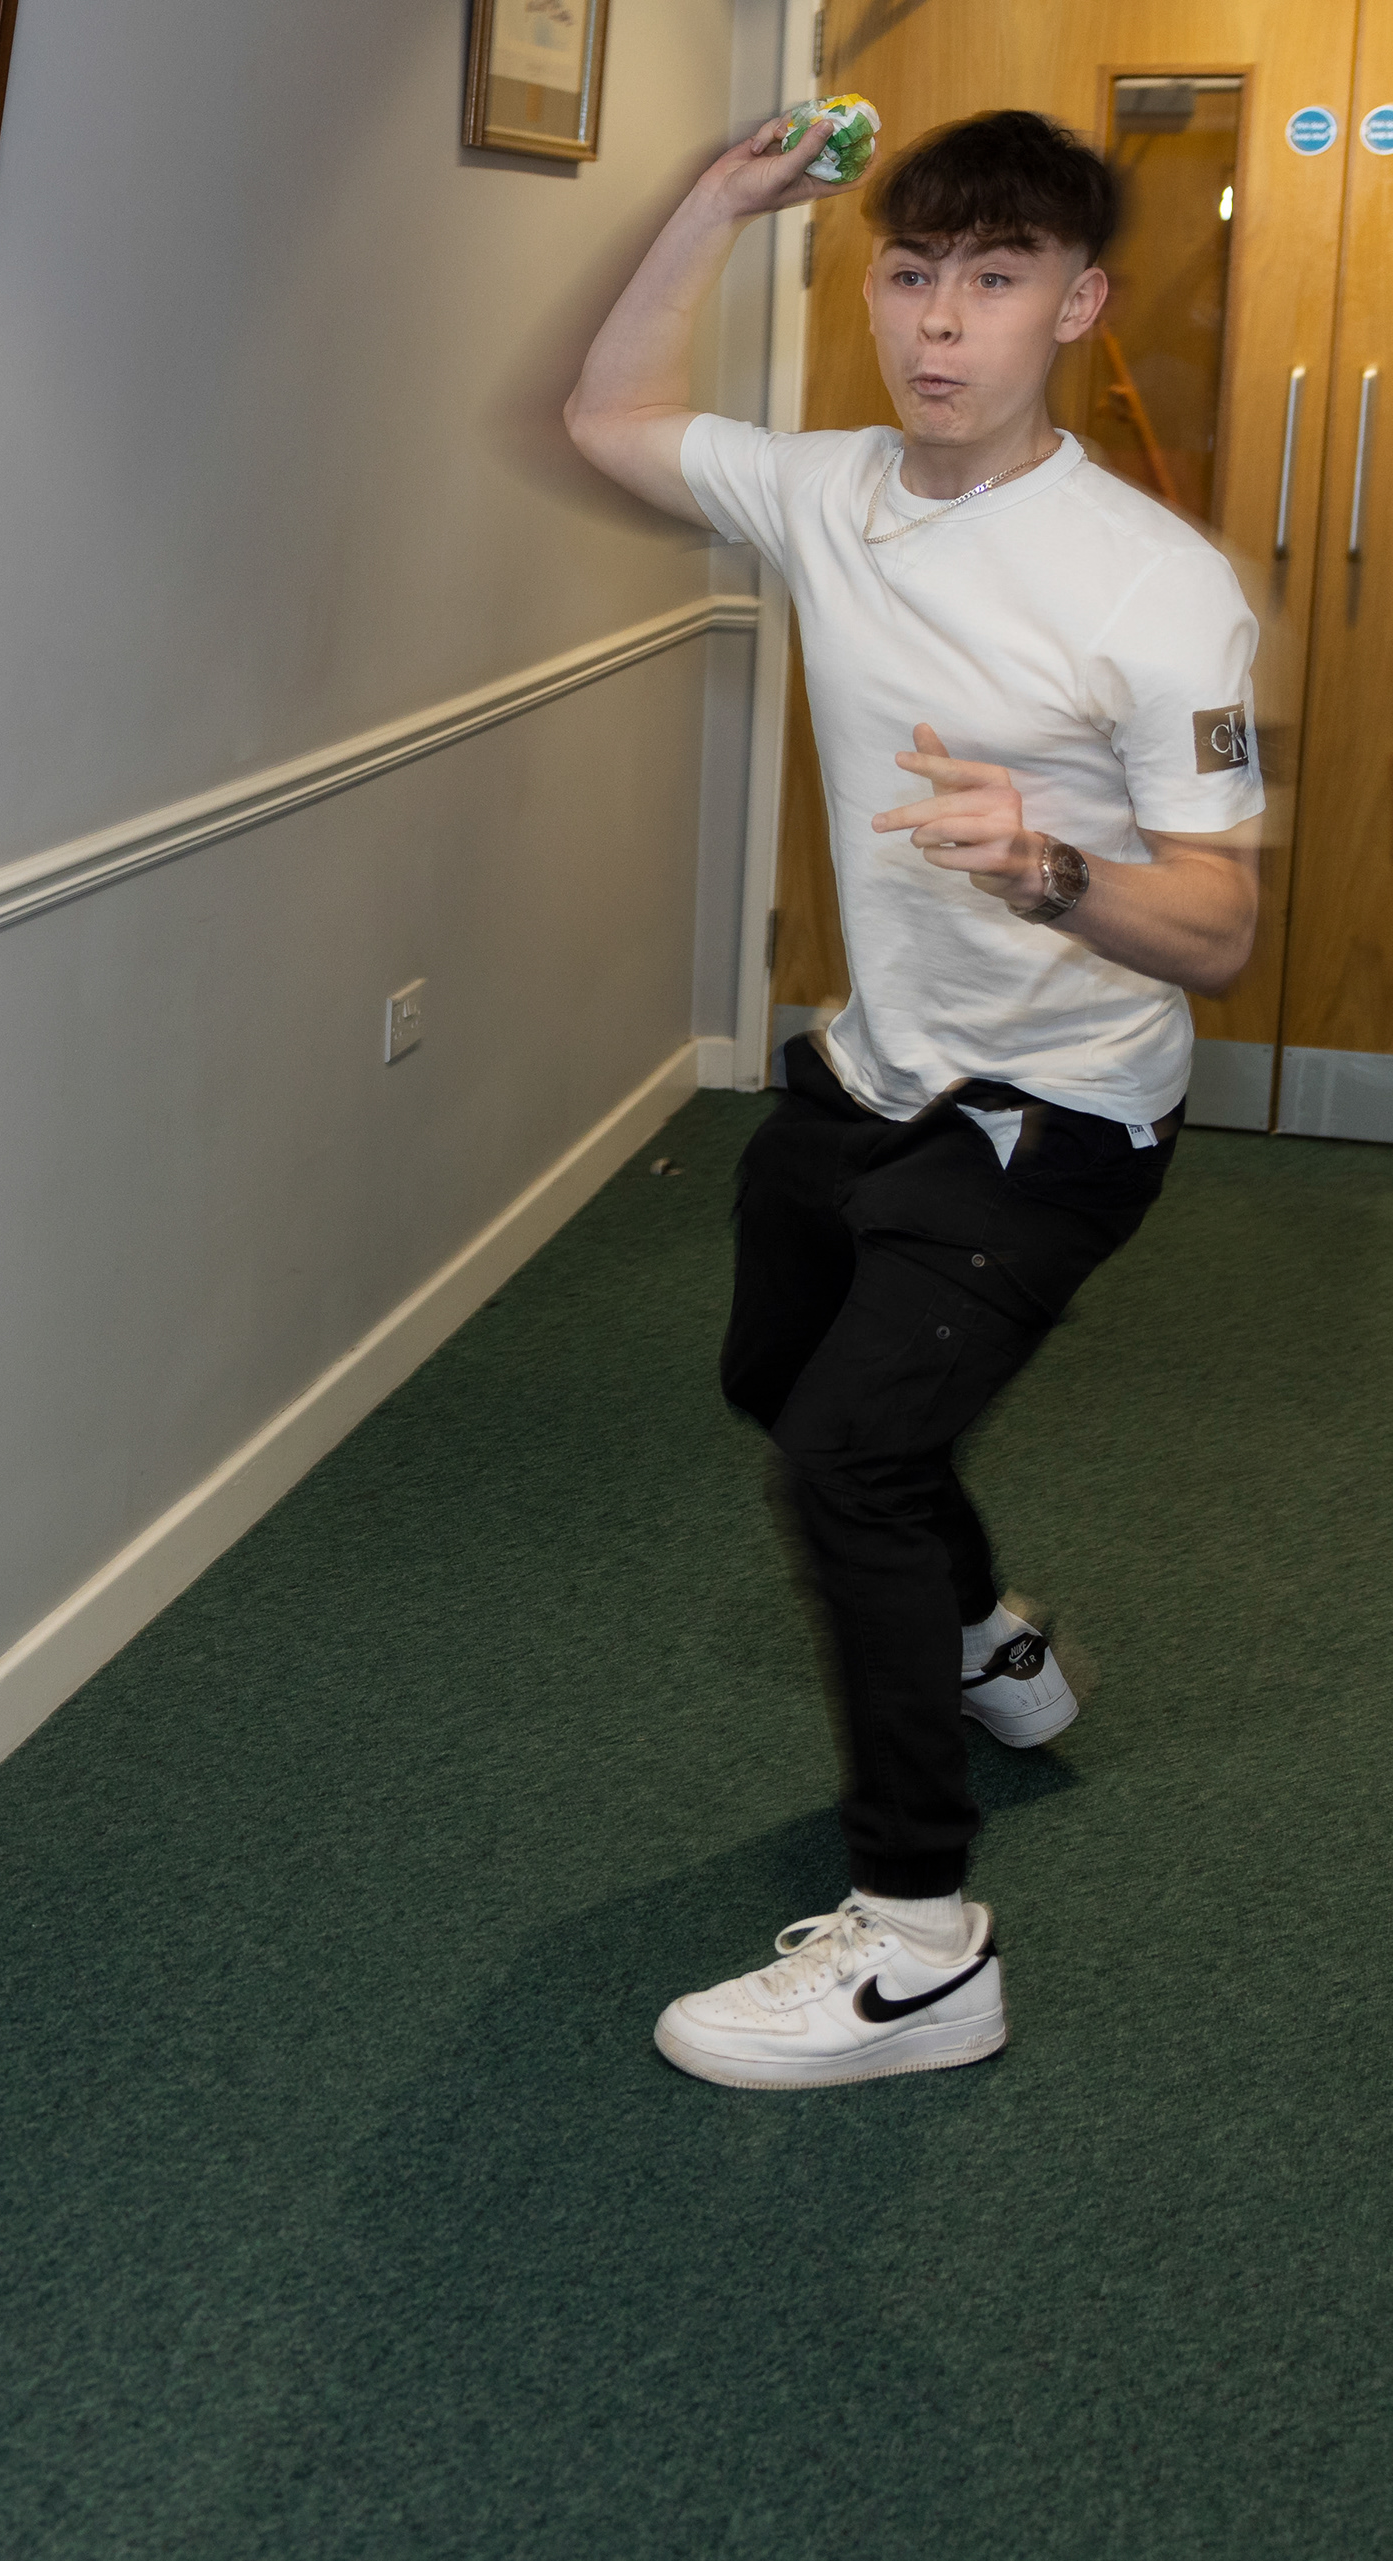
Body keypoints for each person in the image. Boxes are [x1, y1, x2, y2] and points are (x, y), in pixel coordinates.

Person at [565, 111, 1264, 2087]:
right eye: (911, 273)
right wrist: (713, 206)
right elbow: (608, 416)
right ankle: (982, 1638)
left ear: (1078, 306)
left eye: (997, 278)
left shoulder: (1153, 589)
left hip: (1061, 1119)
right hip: (875, 1075)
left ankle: (921, 1950)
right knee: (775, 1383)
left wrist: (1047, 865)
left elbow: (1218, 931)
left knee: (848, 1465)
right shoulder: (831, 490)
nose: (942, 323)